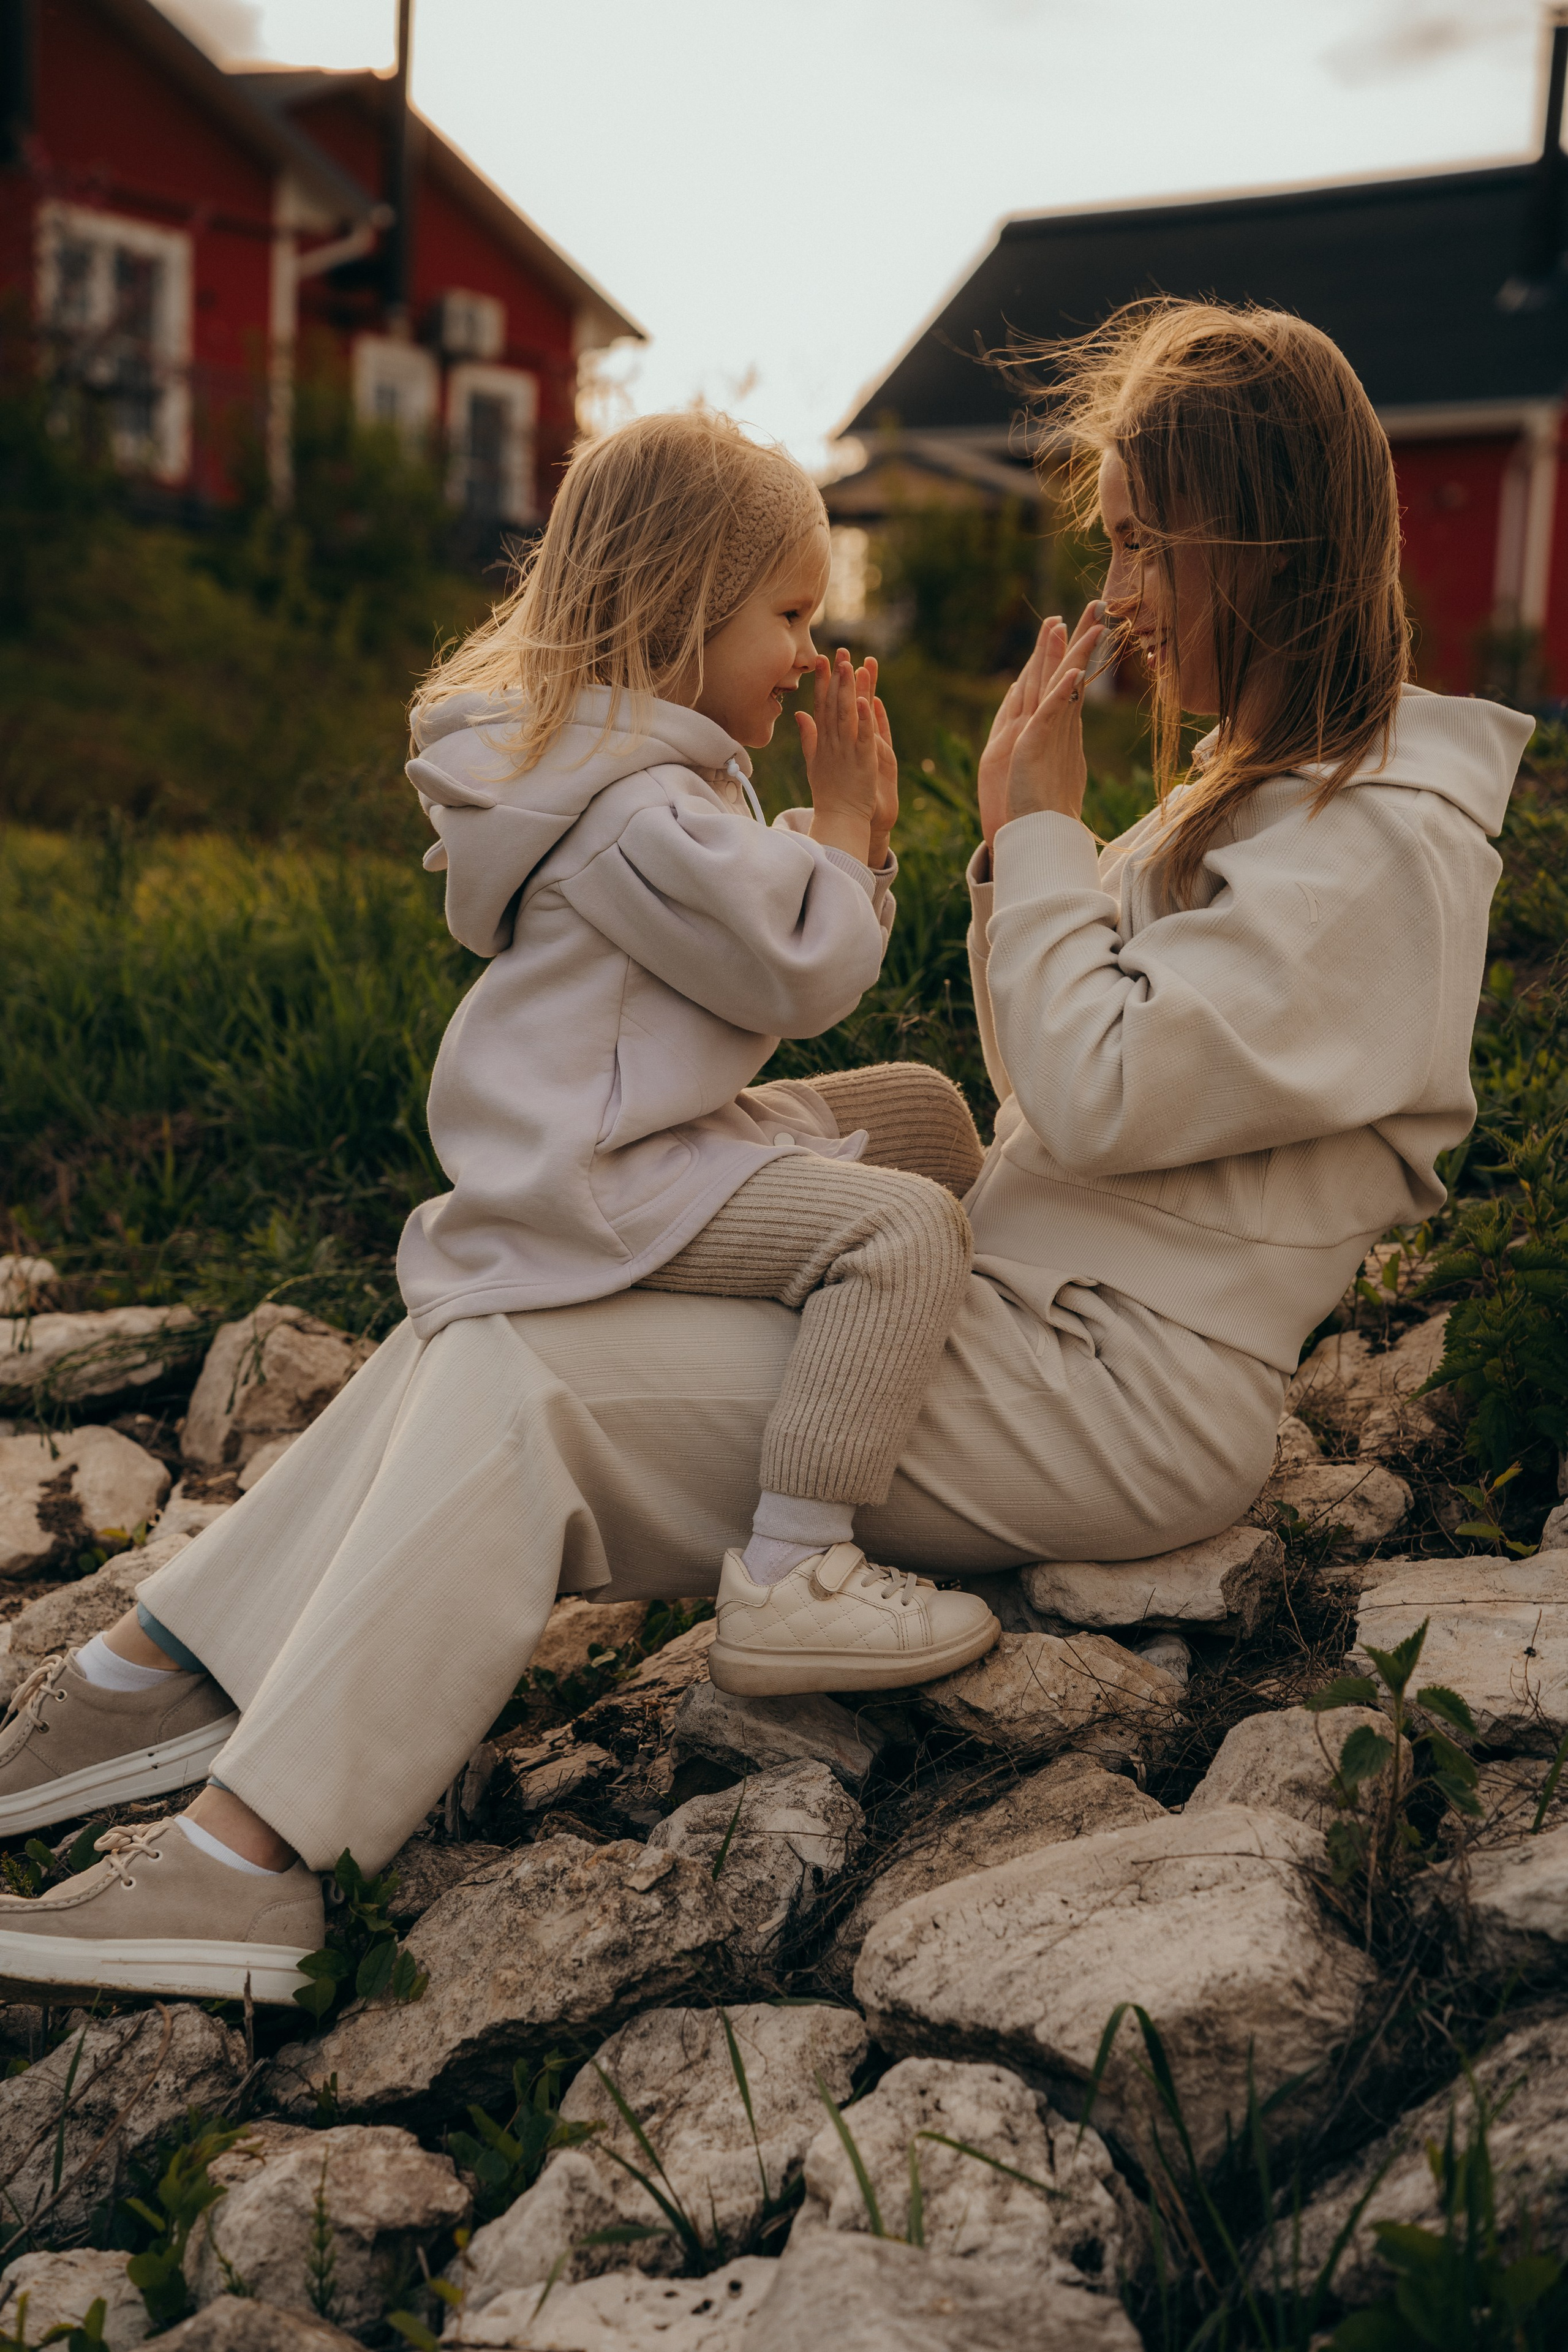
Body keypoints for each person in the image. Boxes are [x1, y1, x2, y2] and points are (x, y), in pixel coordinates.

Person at [0, 300, 1532, 2007]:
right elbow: (1052, 1089)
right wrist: (1024, 851)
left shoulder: (1382, 845)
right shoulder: (1273, 793)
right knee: (520, 1315)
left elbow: (1099, 1097)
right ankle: (171, 1671)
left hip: (1122, 1393)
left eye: (1139, 545)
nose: (1115, 596)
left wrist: (1039, 828)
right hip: (1045, 1316)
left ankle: (252, 1865)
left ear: (1246, 542)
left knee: (530, 1382)